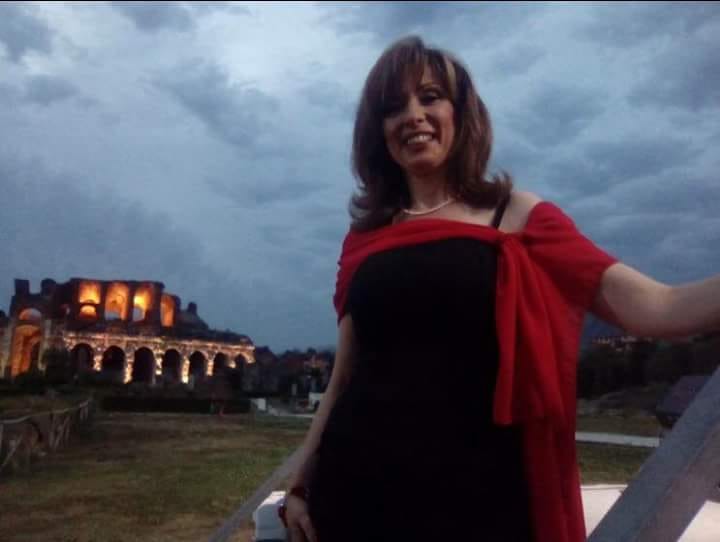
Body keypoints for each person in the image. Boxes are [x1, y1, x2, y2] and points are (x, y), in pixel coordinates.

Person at [279, 36, 720, 542]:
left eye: (430, 97)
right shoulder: (364, 240)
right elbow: (344, 378)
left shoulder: (516, 216)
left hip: (480, 499)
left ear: (460, 113)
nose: (414, 115)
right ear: (378, 131)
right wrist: (300, 485)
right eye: (393, 107)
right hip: (356, 497)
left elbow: (658, 307)